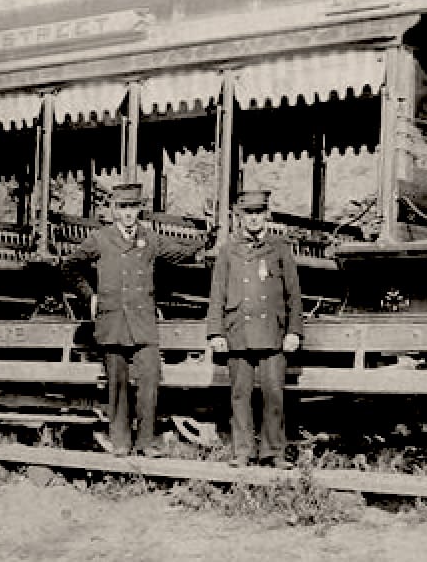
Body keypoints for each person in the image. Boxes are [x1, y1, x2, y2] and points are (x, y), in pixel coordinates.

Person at [61, 183, 209, 457]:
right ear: (114, 210)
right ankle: (120, 442)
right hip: (113, 321)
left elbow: (179, 253)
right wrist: (90, 297)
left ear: (139, 209)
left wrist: (207, 240)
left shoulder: (149, 238)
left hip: (142, 323)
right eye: (123, 208)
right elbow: (70, 266)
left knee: (150, 379)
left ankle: (146, 442)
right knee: (117, 384)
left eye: (133, 207)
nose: (129, 214)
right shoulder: (100, 239)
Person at [206, 189, 303, 469]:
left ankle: (274, 452)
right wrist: (216, 332)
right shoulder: (228, 250)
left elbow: (294, 295)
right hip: (239, 331)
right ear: (239, 217)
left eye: (258, 213)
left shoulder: (280, 248)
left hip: (272, 332)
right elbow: (217, 294)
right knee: (240, 395)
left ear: (267, 215)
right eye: (248, 213)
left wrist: (294, 331)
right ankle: (242, 451)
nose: (253, 219)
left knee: (274, 394)